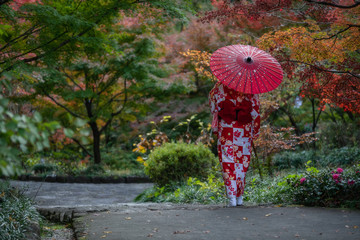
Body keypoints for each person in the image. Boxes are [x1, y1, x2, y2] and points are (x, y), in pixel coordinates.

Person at [209, 81, 260, 207]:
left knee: (228, 161)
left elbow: (213, 107)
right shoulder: (250, 88)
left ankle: (232, 198)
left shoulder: (219, 87)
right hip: (244, 129)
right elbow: (256, 112)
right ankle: (239, 197)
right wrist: (256, 130)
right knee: (242, 161)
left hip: (226, 128)